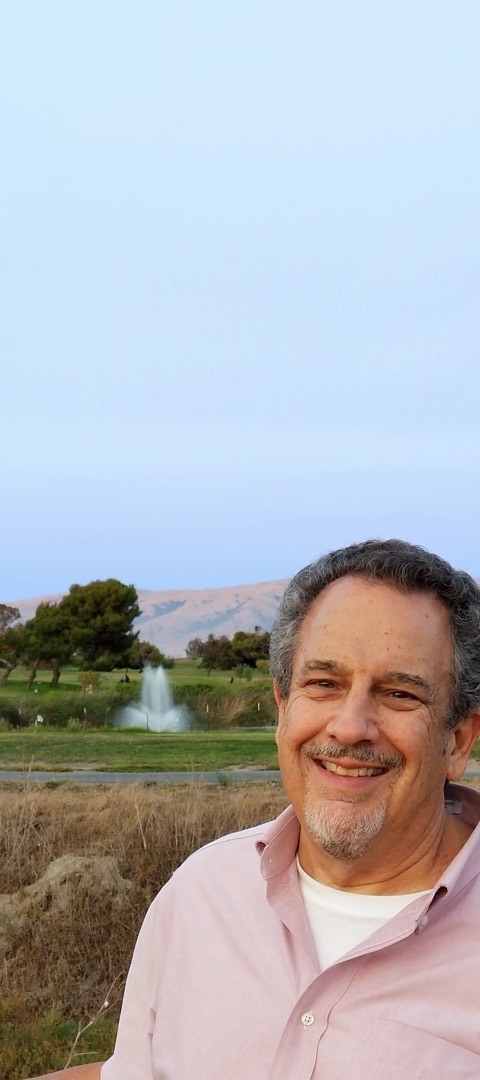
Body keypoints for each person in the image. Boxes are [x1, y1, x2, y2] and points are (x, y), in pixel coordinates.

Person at [29, 539, 480, 1079]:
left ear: (457, 741)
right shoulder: (201, 891)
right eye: (323, 684)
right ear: (282, 708)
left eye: (400, 694)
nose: (350, 726)